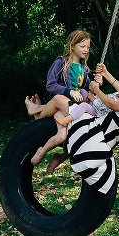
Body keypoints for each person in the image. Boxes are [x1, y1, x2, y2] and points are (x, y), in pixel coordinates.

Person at [25, 30, 92, 170]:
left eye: (88, 47)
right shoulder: (61, 62)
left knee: (66, 137)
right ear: (72, 46)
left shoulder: (84, 69)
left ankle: (49, 152)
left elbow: (86, 90)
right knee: (61, 132)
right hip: (60, 103)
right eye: (83, 46)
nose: (86, 50)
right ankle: (37, 114)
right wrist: (70, 91)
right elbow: (50, 85)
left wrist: (95, 85)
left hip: (71, 107)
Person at [54, 84, 119, 127]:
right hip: (95, 103)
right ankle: (76, 105)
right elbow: (105, 97)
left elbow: (102, 107)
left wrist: (93, 99)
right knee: (83, 91)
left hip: (98, 113)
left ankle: (66, 120)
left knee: (84, 106)